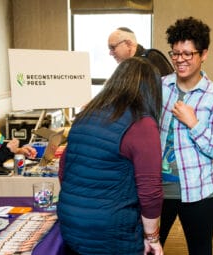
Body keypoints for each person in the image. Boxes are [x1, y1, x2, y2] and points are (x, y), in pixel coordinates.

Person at [57, 57, 164, 255]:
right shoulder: (142, 124)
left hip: (70, 221)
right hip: (111, 229)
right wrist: (153, 237)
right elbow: (150, 192)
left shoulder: (86, 114)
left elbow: (64, 170)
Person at [159, 17, 213, 255]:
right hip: (158, 191)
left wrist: (194, 123)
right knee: (146, 248)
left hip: (200, 192)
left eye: (188, 54)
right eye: (176, 53)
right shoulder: (160, 87)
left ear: (204, 54)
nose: (180, 60)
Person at [108, 27, 174, 76]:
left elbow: (169, 90)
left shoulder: (152, 58)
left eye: (112, 47)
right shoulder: (124, 67)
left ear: (128, 44)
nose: (110, 53)